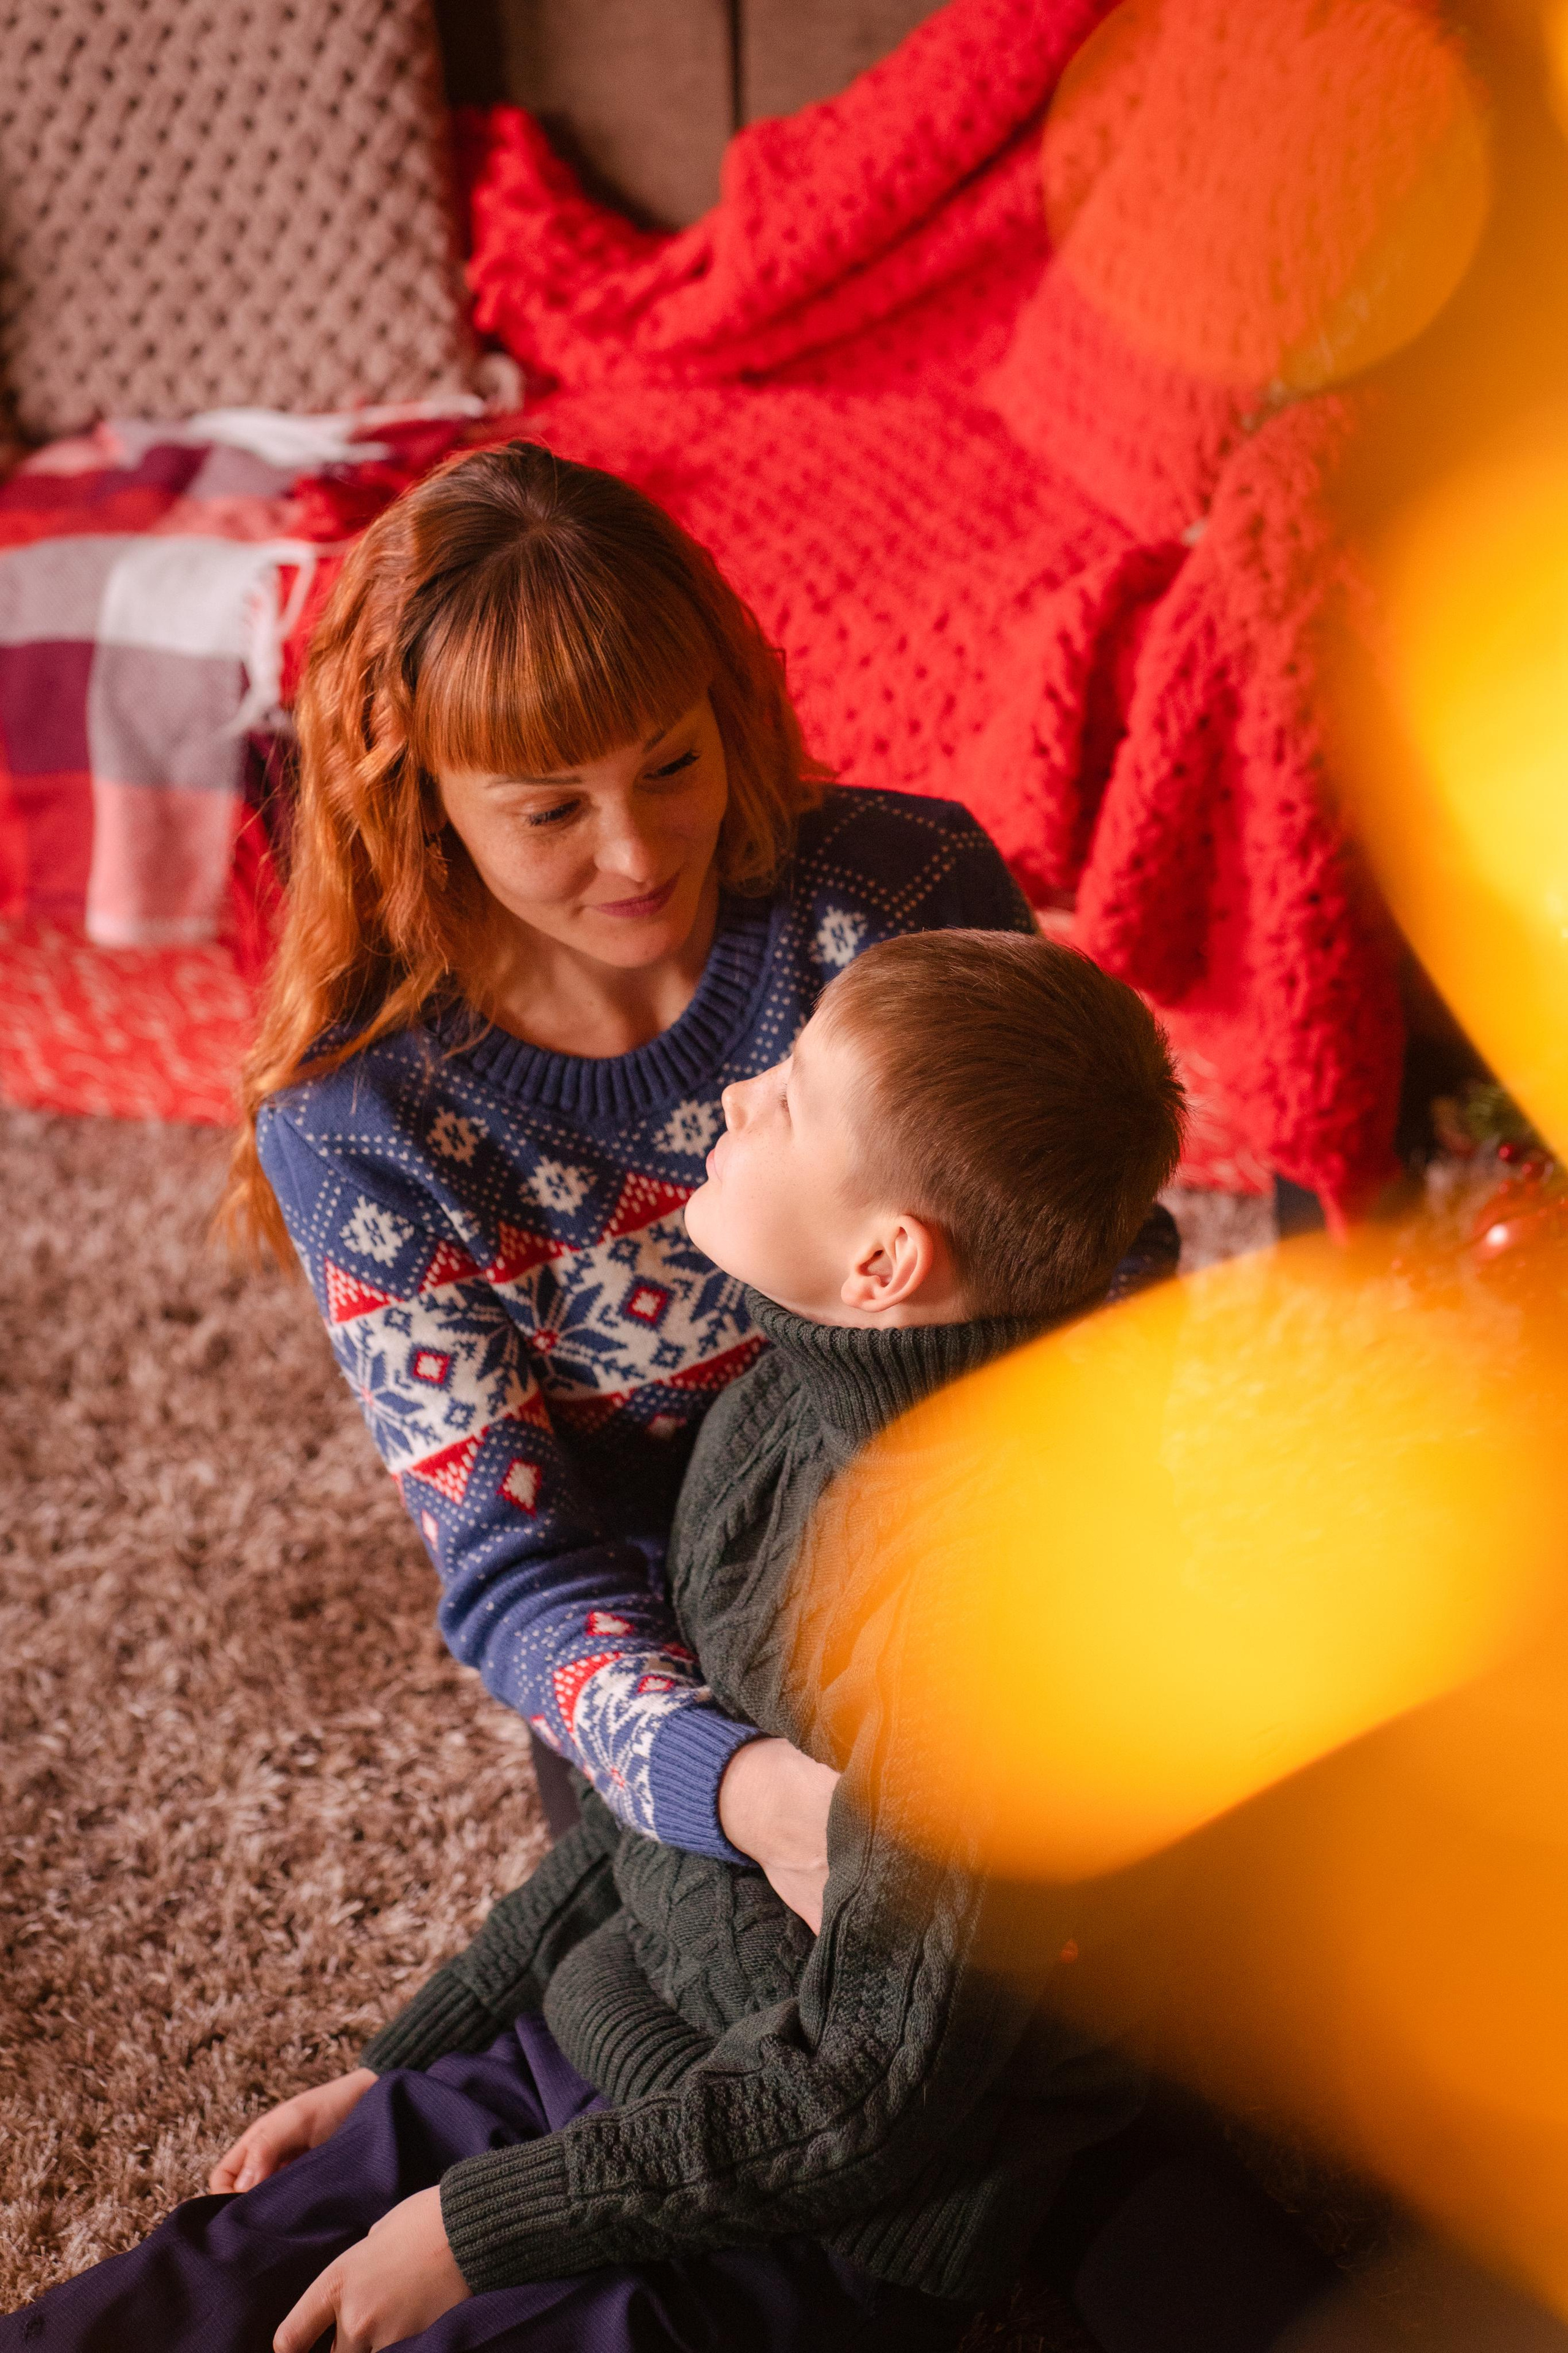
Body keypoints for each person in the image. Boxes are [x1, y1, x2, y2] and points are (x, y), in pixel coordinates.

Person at [1, 928, 1189, 2353]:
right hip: (590, 2050)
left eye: (791, 1097)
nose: (739, 1094)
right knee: (177, 2290)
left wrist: (468, 2230)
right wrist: (418, 2060)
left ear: (882, 1262)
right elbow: (647, 1805)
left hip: (797, 2205)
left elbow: (868, 2097)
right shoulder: (771, 1407)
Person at [218, 438, 1177, 1901]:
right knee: (692, 2001)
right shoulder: (359, 1123)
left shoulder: (899, 893)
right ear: (416, 801)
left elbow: (1091, 1246)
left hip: (988, 1515)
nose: (635, 853)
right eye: (548, 810)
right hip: (672, 1632)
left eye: (671, 762)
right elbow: (514, 1563)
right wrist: (752, 1795)